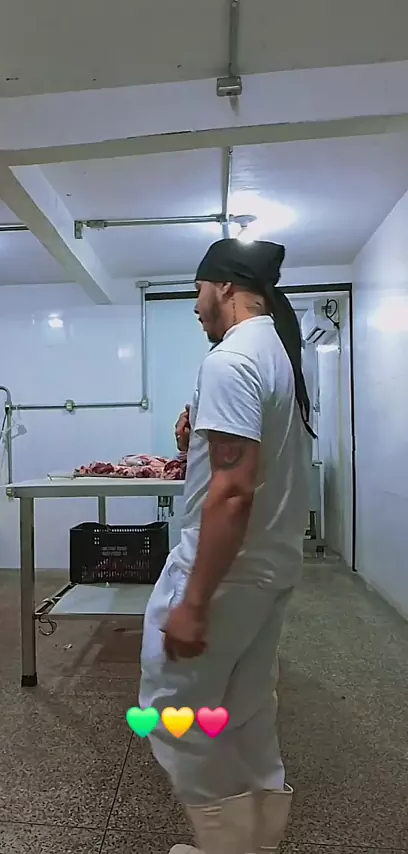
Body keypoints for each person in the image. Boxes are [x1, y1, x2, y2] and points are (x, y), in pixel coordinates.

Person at [139, 238, 313, 854]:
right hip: (269, 565)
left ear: (225, 287)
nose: (195, 306)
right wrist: (197, 441)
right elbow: (254, 469)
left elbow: (233, 493)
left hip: (226, 571)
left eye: (197, 291)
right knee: (245, 712)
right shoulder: (275, 353)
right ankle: (255, 844)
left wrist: (193, 601)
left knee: (172, 712)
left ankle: (225, 844)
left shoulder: (231, 360)